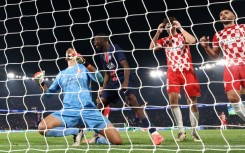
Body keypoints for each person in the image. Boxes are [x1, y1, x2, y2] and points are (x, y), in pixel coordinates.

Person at [34, 48, 123, 146]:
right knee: (42, 128)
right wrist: (41, 82)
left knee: (117, 142)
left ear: (76, 54)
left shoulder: (84, 68)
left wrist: (85, 62)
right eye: (67, 51)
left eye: (72, 50)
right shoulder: (61, 74)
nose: (69, 50)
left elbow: (100, 79)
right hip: (69, 111)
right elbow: (48, 95)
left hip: (89, 110)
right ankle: (76, 132)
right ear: (65, 57)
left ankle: (98, 139)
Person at [93, 33, 164, 145]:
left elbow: (126, 66)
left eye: (96, 40)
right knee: (100, 104)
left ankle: (155, 133)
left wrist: (125, 83)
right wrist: (103, 89)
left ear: (104, 40)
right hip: (113, 81)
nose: (94, 42)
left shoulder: (115, 48)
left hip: (123, 78)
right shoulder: (102, 55)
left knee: (132, 101)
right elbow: (107, 73)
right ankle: (97, 135)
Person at [149, 17, 201, 142]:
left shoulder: (182, 36)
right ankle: (181, 132)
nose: (168, 27)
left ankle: (194, 132)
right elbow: (151, 47)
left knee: (192, 102)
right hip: (173, 73)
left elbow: (193, 41)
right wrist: (157, 32)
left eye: (170, 25)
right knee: (173, 101)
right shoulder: (164, 40)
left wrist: (181, 28)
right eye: (166, 26)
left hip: (187, 71)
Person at [200, 8, 245, 122]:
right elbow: (215, 55)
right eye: (221, 14)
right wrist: (206, 47)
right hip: (230, 67)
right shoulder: (218, 35)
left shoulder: (243, 27)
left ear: (234, 16)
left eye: (226, 13)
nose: (223, 15)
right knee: (233, 98)